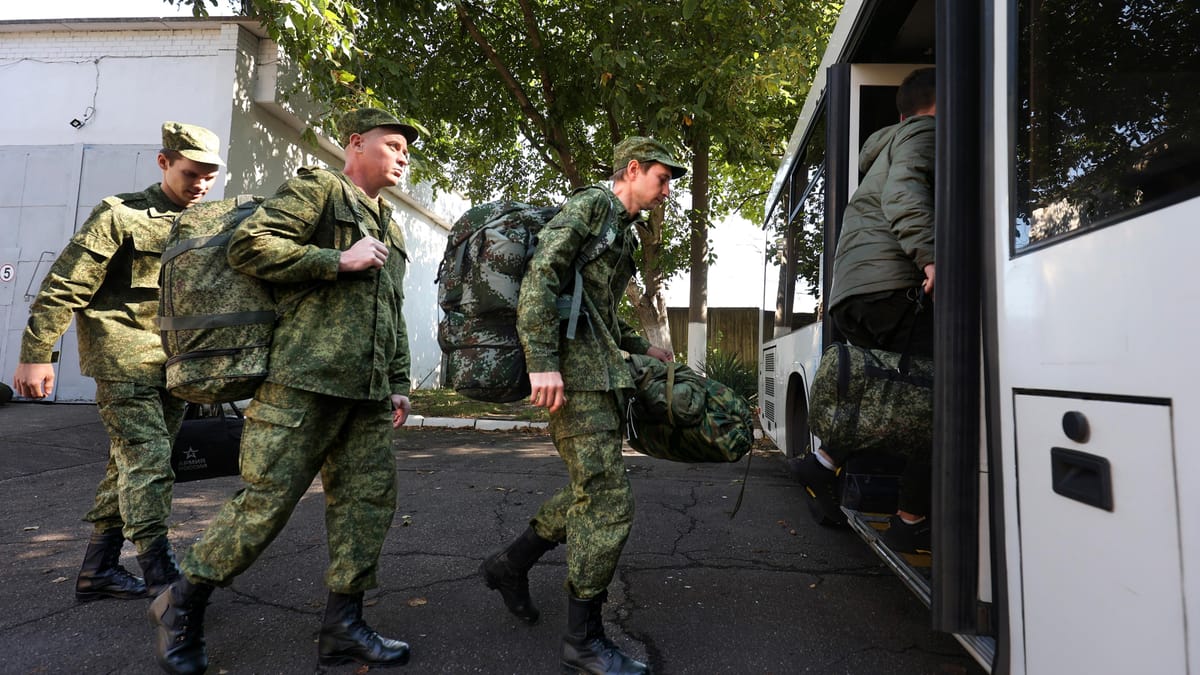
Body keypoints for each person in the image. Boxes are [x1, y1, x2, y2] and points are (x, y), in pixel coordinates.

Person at [147, 107, 417, 675]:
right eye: (392, 145)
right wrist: (335, 258)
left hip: (365, 395)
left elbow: (387, 309)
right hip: (301, 382)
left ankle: (344, 626)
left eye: (405, 150)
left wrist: (396, 383)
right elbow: (250, 245)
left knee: (367, 509)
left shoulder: (387, 223)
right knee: (264, 505)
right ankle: (182, 603)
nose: (402, 157)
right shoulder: (319, 190)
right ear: (356, 145)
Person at [480, 136, 685, 675]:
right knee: (609, 502)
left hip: (600, 376)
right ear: (633, 169)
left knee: (587, 491)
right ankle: (583, 642)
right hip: (573, 378)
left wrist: (644, 346)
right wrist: (541, 360)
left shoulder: (622, 230)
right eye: (663, 179)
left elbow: (598, 309)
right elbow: (541, 274)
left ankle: (509, 564)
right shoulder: (593, 205)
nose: (667, 192)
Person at [12, 122, 223, 602]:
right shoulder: (119, 214)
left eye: (210, 176)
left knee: (128, 464)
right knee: (148, 460)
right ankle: (160, 573)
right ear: (164, 161)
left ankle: (98, 570)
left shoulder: (203, 221)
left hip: (176, 362)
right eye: (192, 173)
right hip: (122, 357)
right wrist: (37, 355)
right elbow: (65, 285)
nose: (201, 185)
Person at [793, 67, 937, 554]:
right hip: (891, 286)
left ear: (899, 111)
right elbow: (905, 196)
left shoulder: (886, 146)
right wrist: (931, 257)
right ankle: (911, 519)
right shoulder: (925, 131)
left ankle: (824, 462)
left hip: (852, 293)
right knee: (938, 396)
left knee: (885, 391)